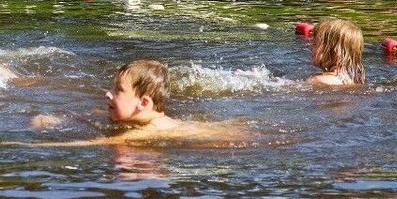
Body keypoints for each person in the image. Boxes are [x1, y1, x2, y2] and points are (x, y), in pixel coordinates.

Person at [29, 59, 252, 146]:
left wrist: (33, 146)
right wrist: (52, 120)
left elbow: (97, 143)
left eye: (118, 91)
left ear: (143, 103)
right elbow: (91, 117)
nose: (108, 94)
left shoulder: (152, 130)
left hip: (233, 137)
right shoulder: (130, 115)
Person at [307, 18, 366, 88]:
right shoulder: (351, 82)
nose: (310, 47)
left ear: (334, 51)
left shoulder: (317, 81)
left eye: (315, 44)